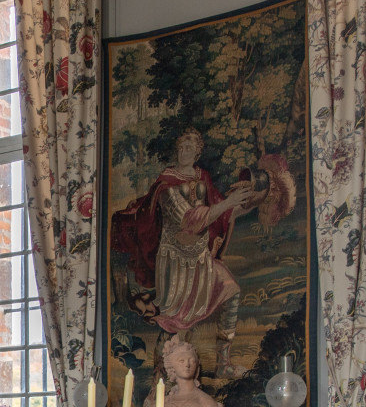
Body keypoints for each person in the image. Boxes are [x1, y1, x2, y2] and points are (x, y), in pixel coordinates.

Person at [110, 128, 262, 377]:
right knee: (177, 322)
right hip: (175, 262)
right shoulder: (165, 184)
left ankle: (223, 364)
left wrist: (251, 198)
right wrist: (227, 203)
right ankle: (163, 375)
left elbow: (223, 213)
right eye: (181, 147)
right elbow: (189, 219)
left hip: (201, 256)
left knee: (231, 291)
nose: (184, 152)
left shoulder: (204, 178)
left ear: (197, 152)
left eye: (189, 148)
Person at [141, 336, 227, 407]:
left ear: (197, 366)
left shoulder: (204, 400)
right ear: (171, 366)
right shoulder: (162, 403)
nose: (187, 365)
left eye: (191, 360)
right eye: (181, 361)